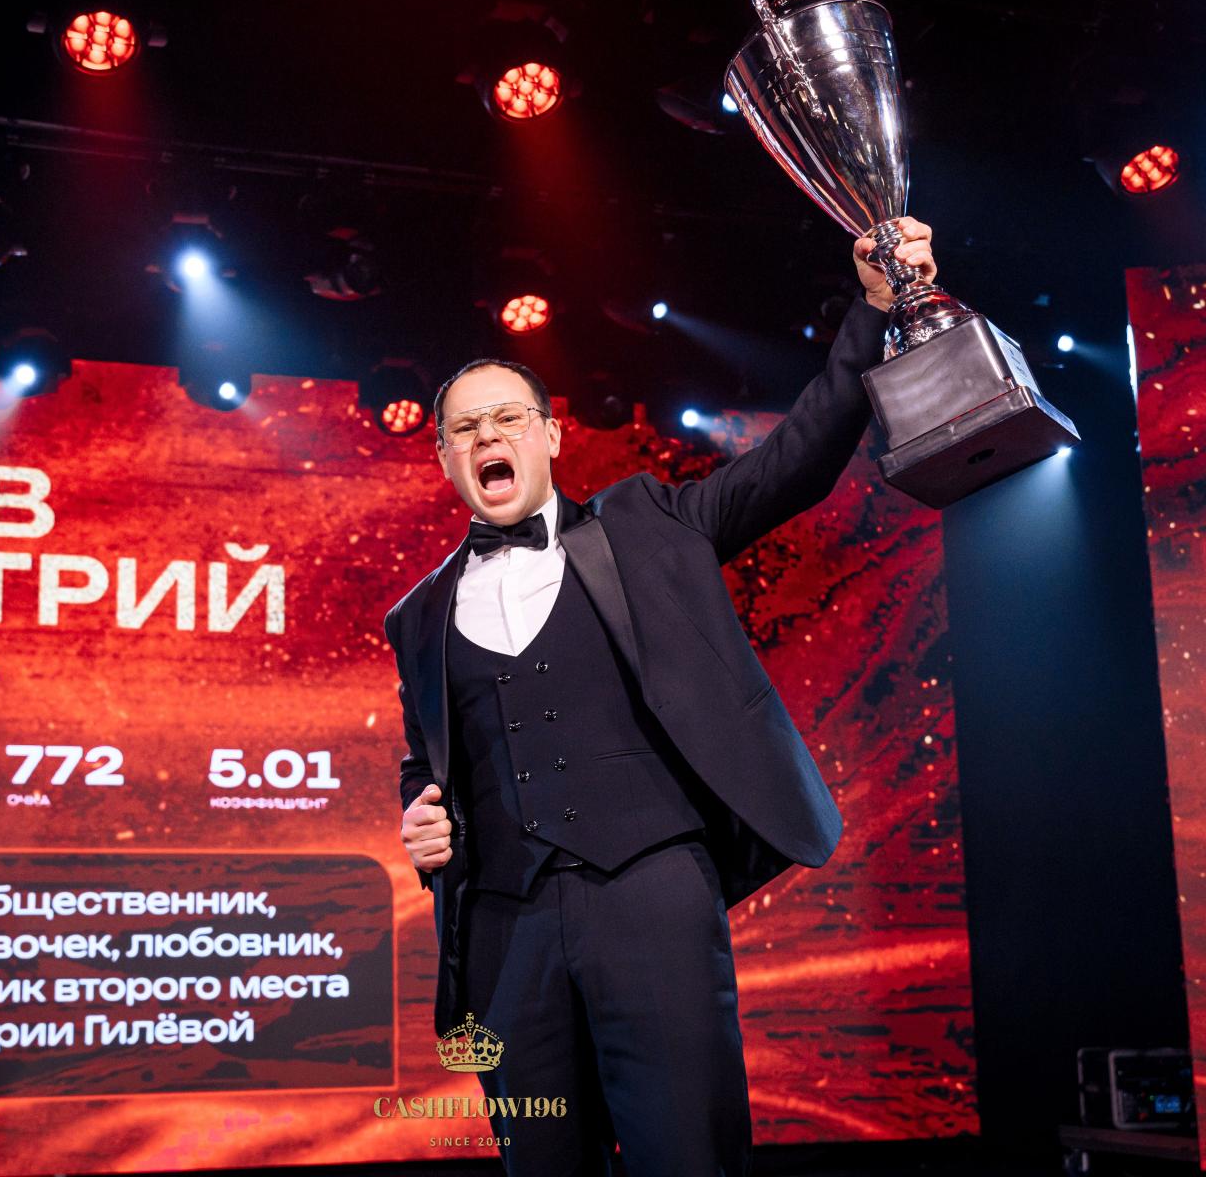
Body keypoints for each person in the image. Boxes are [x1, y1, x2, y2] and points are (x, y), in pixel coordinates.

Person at [384, 218, 938, 1175]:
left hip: (650, 898)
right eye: (465, 429)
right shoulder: (417, 617)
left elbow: (797, 457)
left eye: (507, 418)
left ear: (550, 436)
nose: (487, 438)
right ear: (443, 458)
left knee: (686, 1153)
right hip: (506, 931)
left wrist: (876, 309)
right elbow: (423, 759)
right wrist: (420, 816)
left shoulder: (646, 523)